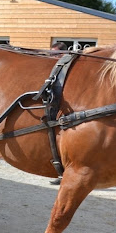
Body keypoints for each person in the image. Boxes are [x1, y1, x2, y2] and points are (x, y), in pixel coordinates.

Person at [48, 42, 67, 185]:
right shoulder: (53, 69)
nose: (50, 56)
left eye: (54, 54)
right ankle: (61, 174)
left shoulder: (65, 71)